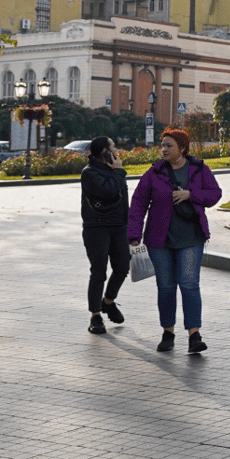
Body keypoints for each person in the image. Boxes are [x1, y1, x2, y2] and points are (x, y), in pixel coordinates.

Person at [128, 128, 222, 353]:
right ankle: (167, 333)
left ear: (182, 148)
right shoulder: (154, 172)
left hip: (191, 237)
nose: (164, 149)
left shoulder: (199, 169)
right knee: (166, 287)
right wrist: (134, 234)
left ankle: (194, 335)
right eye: (163, 145)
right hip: (159, 240)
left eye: (169, 146)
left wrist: (191, 194)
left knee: (189, 284)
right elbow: (138, 203)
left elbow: (215, 194)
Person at [81, 136, 129, 335]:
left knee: (123, 268)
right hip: (96, 227)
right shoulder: (89, 173)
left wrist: (129, 226)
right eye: (113, 147)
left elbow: (123, 198)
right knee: (99, 272)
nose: (116, 151)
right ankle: (95, 315)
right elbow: (108, 191)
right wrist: (118, 171)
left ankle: (108, 302)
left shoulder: (114, 170)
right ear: (104, 152)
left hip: (118, 226)